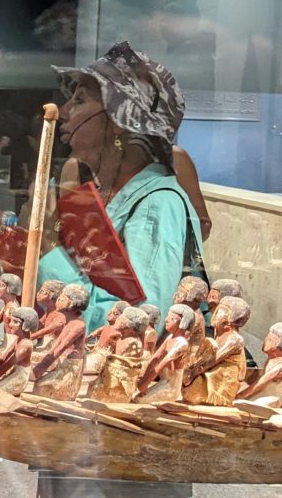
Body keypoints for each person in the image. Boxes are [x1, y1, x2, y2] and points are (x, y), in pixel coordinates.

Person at [39, 41, 203, 333]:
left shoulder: (156, 205)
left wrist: (48, 255)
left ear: (118, 121)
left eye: (79, 100)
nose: (64, 112)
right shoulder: (110, 194)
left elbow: (141, 320)